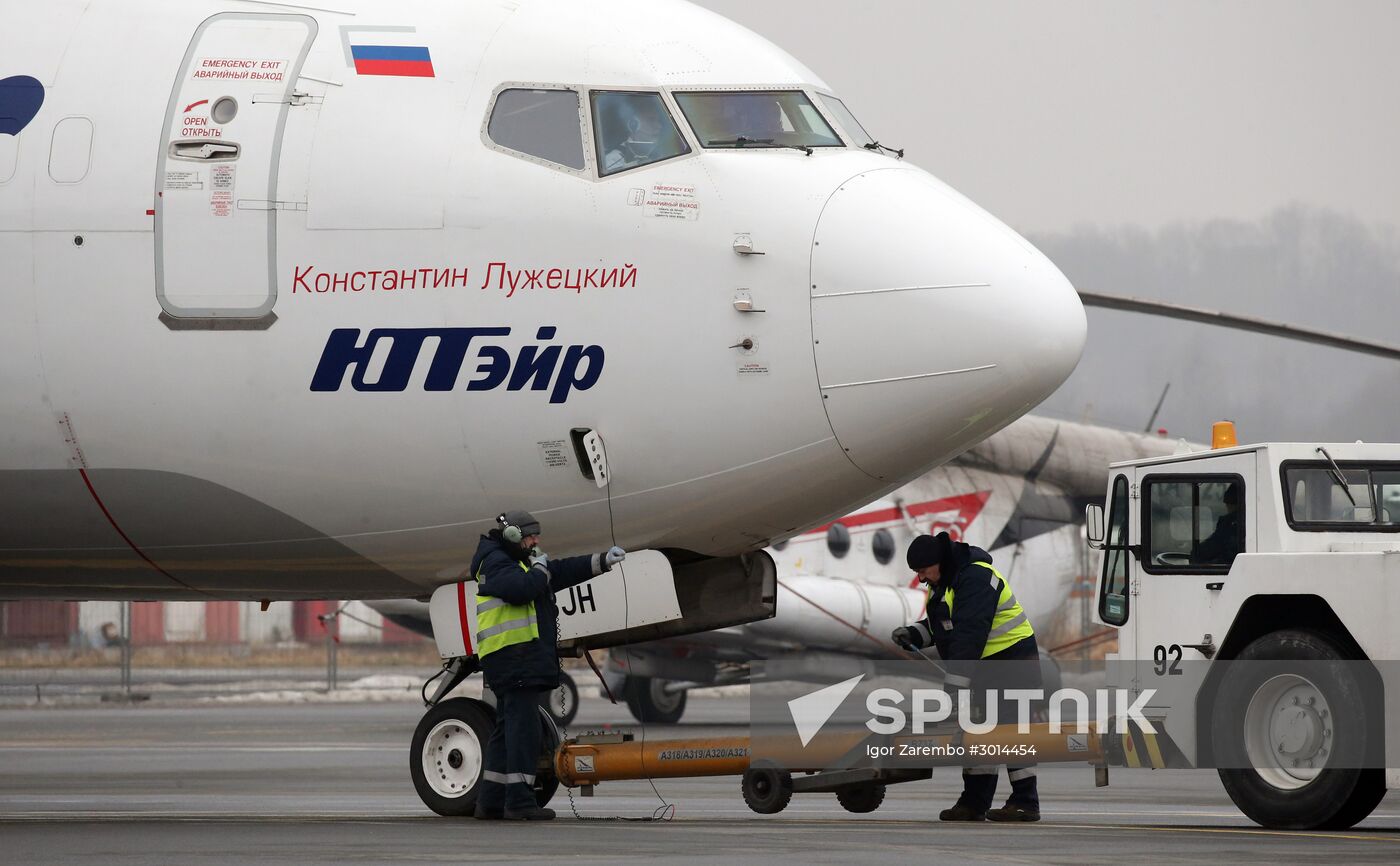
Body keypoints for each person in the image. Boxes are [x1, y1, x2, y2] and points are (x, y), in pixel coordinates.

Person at [470, 510, 625, 821]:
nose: (536, 541)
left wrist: (602, 561)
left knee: (506, 729)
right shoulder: (495, 562)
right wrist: (540, 572)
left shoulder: (521, 562)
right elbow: (522, 589)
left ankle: (490, 802)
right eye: (530, 536)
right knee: (523, 730)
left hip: (516, 660)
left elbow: (561, 571)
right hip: (514, 659)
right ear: (512, 535)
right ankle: (520, 802)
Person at [892, 531, 1042, 822]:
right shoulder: (944, 583)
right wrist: (915, 633)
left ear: (938, 562)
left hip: (1013, 664)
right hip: (986, 668)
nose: (921, 578)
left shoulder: (975, 578)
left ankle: (1025, 801)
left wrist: (955, 687)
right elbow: (945, 625)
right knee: (978, 733)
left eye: (923, 571)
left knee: (1011, 733)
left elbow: (969, 635)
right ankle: (974, 802)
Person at [1196, 484, 1242, 566]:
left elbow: (1213, 546)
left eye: (1228, 504)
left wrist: (1195, 554)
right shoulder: (1244, 521)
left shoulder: (1229, 524)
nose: (1227, 507)